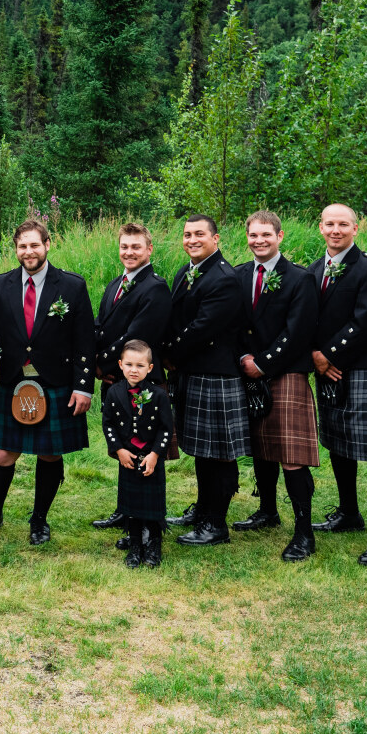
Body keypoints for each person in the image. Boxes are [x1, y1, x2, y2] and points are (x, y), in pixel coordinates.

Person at [0, 219, 94, 545]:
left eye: (34, 245)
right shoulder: (0, 286)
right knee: (2, 454)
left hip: (56, 383)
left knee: (50, 453)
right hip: (13, 380)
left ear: (47, 244)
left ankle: (39, 519)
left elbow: (85, 341)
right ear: (16, 249)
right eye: (22, 246)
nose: (29, 251)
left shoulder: (71, 286)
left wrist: (83, 386)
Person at [306, 203, 367, 566]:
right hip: (327, 371)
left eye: (343, 224)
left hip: (363, 370)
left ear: (355, 228)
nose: (336, 230)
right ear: (320, 227)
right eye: (330, 224)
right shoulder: (314, 270)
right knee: (339, 443)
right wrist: (315, 355)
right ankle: (349, 513)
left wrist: (327, 355)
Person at [236, 211, 320, 561]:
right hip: (247, 371)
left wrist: (264, 364)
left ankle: (304, 533)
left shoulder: (300, 278)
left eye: (266, 235)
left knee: (291, 455)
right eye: (253, 235)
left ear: (280, 236)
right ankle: (268, 511)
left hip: (285, 374)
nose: (259, 241)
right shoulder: (238, 274)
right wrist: (243, 357)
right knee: (261, 447)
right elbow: (232, 322)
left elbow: (299, 331)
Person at [163, 214, 248, 544]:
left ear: (216, 239)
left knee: (219, 452)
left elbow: (201, 329)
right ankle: (202, 511)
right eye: (187, 234)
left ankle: (216, 524)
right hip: (194, 371)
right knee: (202, 450)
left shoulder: (224, 278)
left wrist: (170, 353)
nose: (192, 239)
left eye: (200, 234)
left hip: (216, 374)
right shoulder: (186, 272)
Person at [89, 223, 172, 535]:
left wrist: (102, 362)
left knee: (146, 446)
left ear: (149, 249)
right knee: (124, 446)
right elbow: (101, 327)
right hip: (117, 381)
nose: (129, 252)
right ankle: (127, 511)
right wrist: (94, 358)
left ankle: (151, 519)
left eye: (136, 247)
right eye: (125, 246)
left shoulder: (156, 287)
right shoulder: (115, 284)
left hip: (142, 382)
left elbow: (138, 335)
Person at [100, 339, 174, 568]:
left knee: (153, 503)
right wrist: (119, 450)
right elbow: (108, 424)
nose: (134, 370)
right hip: (128, 457)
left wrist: (155, 454)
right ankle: (134, 545)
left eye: (140, 366)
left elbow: (166, 428)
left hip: (151, 457)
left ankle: (153, 545)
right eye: (129, 364)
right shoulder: (113, 392)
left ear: (150, 368)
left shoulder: (159, 395)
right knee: (130, 504)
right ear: (120, 365)